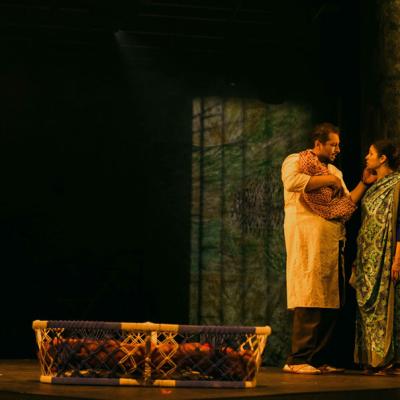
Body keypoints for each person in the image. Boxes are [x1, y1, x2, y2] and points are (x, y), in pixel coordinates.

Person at [281, 122, 376, 374]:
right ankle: (297, 359)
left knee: (330, 299)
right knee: (309, 295)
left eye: (338, 144)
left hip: (332, 239)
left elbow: (345, 204)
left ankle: (317, 358)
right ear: (318, 143)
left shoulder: (335, 171)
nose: (337, 149)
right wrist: (329, 179)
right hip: (306, 239)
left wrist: (363, 184)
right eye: (332, 144)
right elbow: (292, 182)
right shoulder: (295, 160)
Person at [353, 139, 400, 375]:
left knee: (385, 305)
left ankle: (386, 360)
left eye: (370, 153)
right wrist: (366, 183)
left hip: (387, 255)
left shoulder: (397, 184)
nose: (366, 157)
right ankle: (370, 359)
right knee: (367, 305)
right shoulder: (375, 186)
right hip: (368, 258)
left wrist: (398, 257)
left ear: (383, 159)